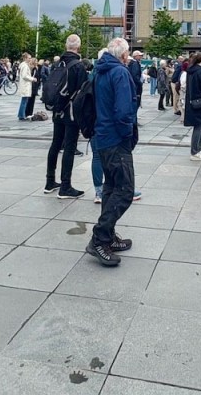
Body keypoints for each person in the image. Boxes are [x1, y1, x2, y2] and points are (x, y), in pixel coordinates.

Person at [86, 38, 137, 267]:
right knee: (125, 190)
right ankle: (99, 239)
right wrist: (127, 134)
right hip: (116, 139)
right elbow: (124, 110)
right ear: (124, 55)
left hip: (102, 136)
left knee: (111, 187)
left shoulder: (100, 70)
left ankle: (108, 235)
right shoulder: (120, 72)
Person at [45, 34, 87, 198]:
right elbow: (82, 92)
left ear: (66, 45)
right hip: (70, 112)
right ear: (78, 46)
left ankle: (49, 181)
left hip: (57, 110)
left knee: (55, 144)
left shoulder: (57, 64)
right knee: (69, 147)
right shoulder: (78, 66)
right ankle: (65, 186)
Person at [16, 52, 36, 120]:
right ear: (25, 58)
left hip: (25, 84)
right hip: (25, 85)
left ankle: (21, 114)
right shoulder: (24, 66)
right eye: (29, 58)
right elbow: (24, 76)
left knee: (24, 100)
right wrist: (32, 79)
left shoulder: (23, 65)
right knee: (24, 101)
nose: (30, 59)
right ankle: (22, 115)